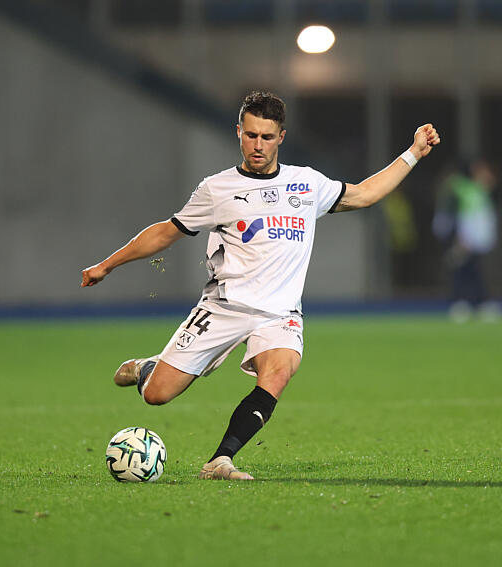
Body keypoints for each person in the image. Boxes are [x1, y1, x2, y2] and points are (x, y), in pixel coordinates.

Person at [81, 91, 440, 480]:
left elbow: (365, 194)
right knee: (158, 395)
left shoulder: (306, 184)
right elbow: (166, 234)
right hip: (223, 307)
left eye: (266, 137)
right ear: (239, 132)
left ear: (281, 137)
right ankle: (149, 368)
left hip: (279, 314)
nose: (257, 145)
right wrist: (107, 264)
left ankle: (220, 460)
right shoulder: (216, 189)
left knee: (280, 371)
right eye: (250, 135)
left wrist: (414, 153)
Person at [432, 157, 500, 322]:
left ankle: (474, 302)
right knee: (463, 269)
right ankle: (464, 303)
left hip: (472, 238)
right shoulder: (460, 187)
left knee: (471, 268)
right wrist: (458, 237)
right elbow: (453, 212)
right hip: (460, 236)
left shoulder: (476, 189)